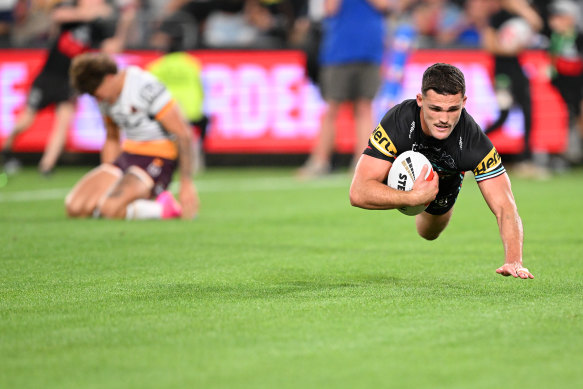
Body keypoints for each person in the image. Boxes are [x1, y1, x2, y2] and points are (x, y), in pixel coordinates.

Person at [349, 63, 534, 279]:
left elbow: (506, 208)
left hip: (445, 183)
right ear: (420, 100)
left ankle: (450, 176)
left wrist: (514, 260)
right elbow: (357, 193)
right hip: (406, 175)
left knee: (428, 233)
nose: (444, 119)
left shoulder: (474, 142)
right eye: (435, 108)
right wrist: (412, 197)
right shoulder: (399, 121)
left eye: (453, 109)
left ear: (464, 103)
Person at [0, 0, 137, 176]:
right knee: (26, 120)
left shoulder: (99, 25)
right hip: (48, 75)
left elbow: (111, 48)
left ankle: (46, 166)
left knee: (63, 123)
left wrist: (123, 24)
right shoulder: (72, 10)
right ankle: (7, 148)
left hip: (69, 79)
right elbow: (57, 15)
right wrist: (93, 13)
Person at [65, 52, 198, 220]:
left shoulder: (144, 87)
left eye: (96, 94)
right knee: (76, 208)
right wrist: (109, 173)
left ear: (108, 78)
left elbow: (183, 133)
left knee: (109, 209)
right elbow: (112, 136)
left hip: (157, 157)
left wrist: (186, 183)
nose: (97, 99)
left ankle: (164, 208)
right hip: (128, 154)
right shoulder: (105, 98)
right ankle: (142, 205)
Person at [297, 0, 391, 178]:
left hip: (370, 50)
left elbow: (384, 5)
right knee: (332, 108)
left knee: (364, 107)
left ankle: (361, 162)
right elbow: (330, 8)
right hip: (339, 51)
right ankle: (319, 161)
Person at [481, 0, 545, 177]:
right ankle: (472, 149)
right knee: (503, 115)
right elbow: (490, 46)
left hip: (517, 70)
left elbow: (537, 24)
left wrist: (522, 9)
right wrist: (511, 49)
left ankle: (526, 160)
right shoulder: (496, 18)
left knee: (527, 112)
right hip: (502, 73)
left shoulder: (521, 16)